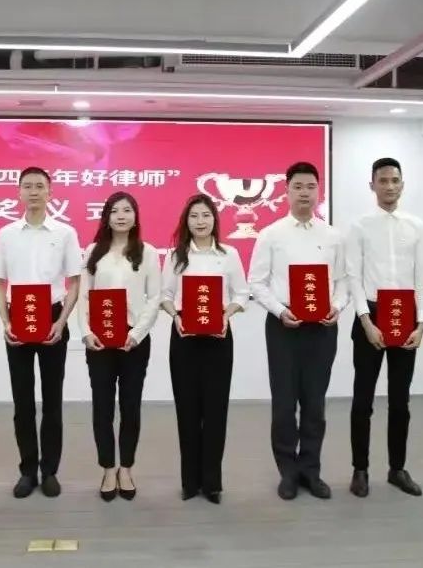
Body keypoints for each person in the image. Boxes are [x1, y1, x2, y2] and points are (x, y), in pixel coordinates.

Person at [248, 161, 348, 501]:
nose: (305, 193)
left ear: (319, 191)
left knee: (315, 404)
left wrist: (338, 305)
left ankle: (311, 470)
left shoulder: (333, 236)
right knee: (284, 404)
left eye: (310, 187)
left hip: (322, 328)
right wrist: (280, 310)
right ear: (286, 191)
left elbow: (342, 281)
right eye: (298, 187)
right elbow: (256, 282)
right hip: (284, 328)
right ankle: (288, 472)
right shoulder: (271, 234)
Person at [0, 166, 82, 499]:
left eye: (39, 186)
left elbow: (75, 281)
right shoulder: (6, 234)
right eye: (27, 186)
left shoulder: (65, 233)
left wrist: (62, 321)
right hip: (18, 318)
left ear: (50, 192)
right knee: (23, 401)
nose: (33, 191)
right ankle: (27, 470)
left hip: (53, 316)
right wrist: (5, 321)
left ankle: (50, 470)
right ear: (18, 192)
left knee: (52, 400)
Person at [345, 158, 423, 498]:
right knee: (363, 399)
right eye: (383, 180)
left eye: (395, 180)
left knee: (400, 401)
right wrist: (366, 320)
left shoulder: (416, 225)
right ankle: (360, 469)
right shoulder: (359, 226)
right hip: (372, 313)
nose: (389, 186)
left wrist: (422, 323)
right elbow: (353, 275)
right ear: (372, 185)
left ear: (402, 185)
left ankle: (397, 468)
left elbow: (422, 277)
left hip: (405, 314)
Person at [161, 193, 249, 504]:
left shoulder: (229, 254)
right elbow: (165, 295)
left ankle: (212, 483)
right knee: (187, 411)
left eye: (206, 215)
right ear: (186, 221)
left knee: (215, 411)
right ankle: (190, 482)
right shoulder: (176, 257)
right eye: (194, 216)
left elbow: (241, 293)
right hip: (184, 338)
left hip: (218, 339)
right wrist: (175, 317)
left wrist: (226, 314)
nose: (200, 221)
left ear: (215, 219)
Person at [77, 192, 161, 502]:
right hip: (99, 340)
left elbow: (154, 297)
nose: (121, 216)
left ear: (136, 216)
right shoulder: (93, 252)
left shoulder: (148, 253)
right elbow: (84, 296)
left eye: (127, 210)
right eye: (114, 211)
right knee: (102, 407)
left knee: (130, 406)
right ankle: (108, 469)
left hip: (133, 340)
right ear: (106, 217)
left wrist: (137, 333)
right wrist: (86, 332)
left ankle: (126, 468)